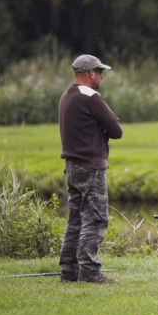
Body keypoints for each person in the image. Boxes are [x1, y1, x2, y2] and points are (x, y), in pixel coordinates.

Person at [58, 54, 123, 283]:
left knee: (76, 218)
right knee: (95, 219)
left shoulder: (67, 95)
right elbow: (116, 130)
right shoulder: (92, 97)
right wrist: (104, 125)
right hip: (91, 167)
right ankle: (89, 272)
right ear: (91, 73)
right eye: (100, 72)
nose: (102, 76)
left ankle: (68, 270)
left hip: (72, 167)